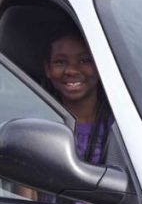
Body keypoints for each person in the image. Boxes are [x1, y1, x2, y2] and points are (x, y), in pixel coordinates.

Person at [42, 28, 114, 166]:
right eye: (60, 62)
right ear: (47, 69)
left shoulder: (120, 125)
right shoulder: (41, 126)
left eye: (84, 61)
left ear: (100, 65)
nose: (71, 70)